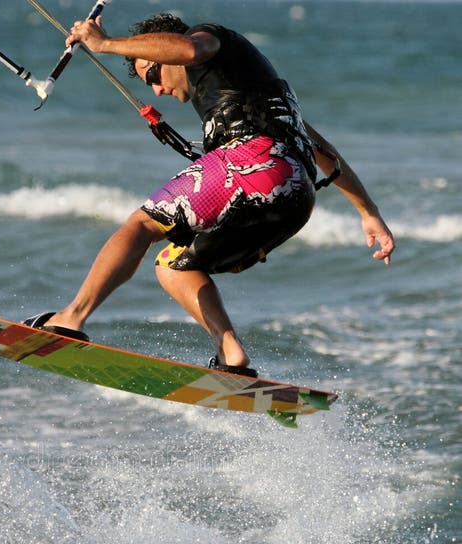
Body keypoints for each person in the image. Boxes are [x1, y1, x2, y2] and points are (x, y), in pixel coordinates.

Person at [27, 12, 395, 375]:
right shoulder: (257, 87)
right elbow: (323, 150)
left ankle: (69, 319)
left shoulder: (210, 38)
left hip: (253, 165)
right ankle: (230, 351)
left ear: (163, 50)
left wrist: (103, 44)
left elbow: (189, 48)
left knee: (141, 226)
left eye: (153, 73)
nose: (156, 89)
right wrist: (369, 212)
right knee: (174, 266)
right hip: (296, 197)